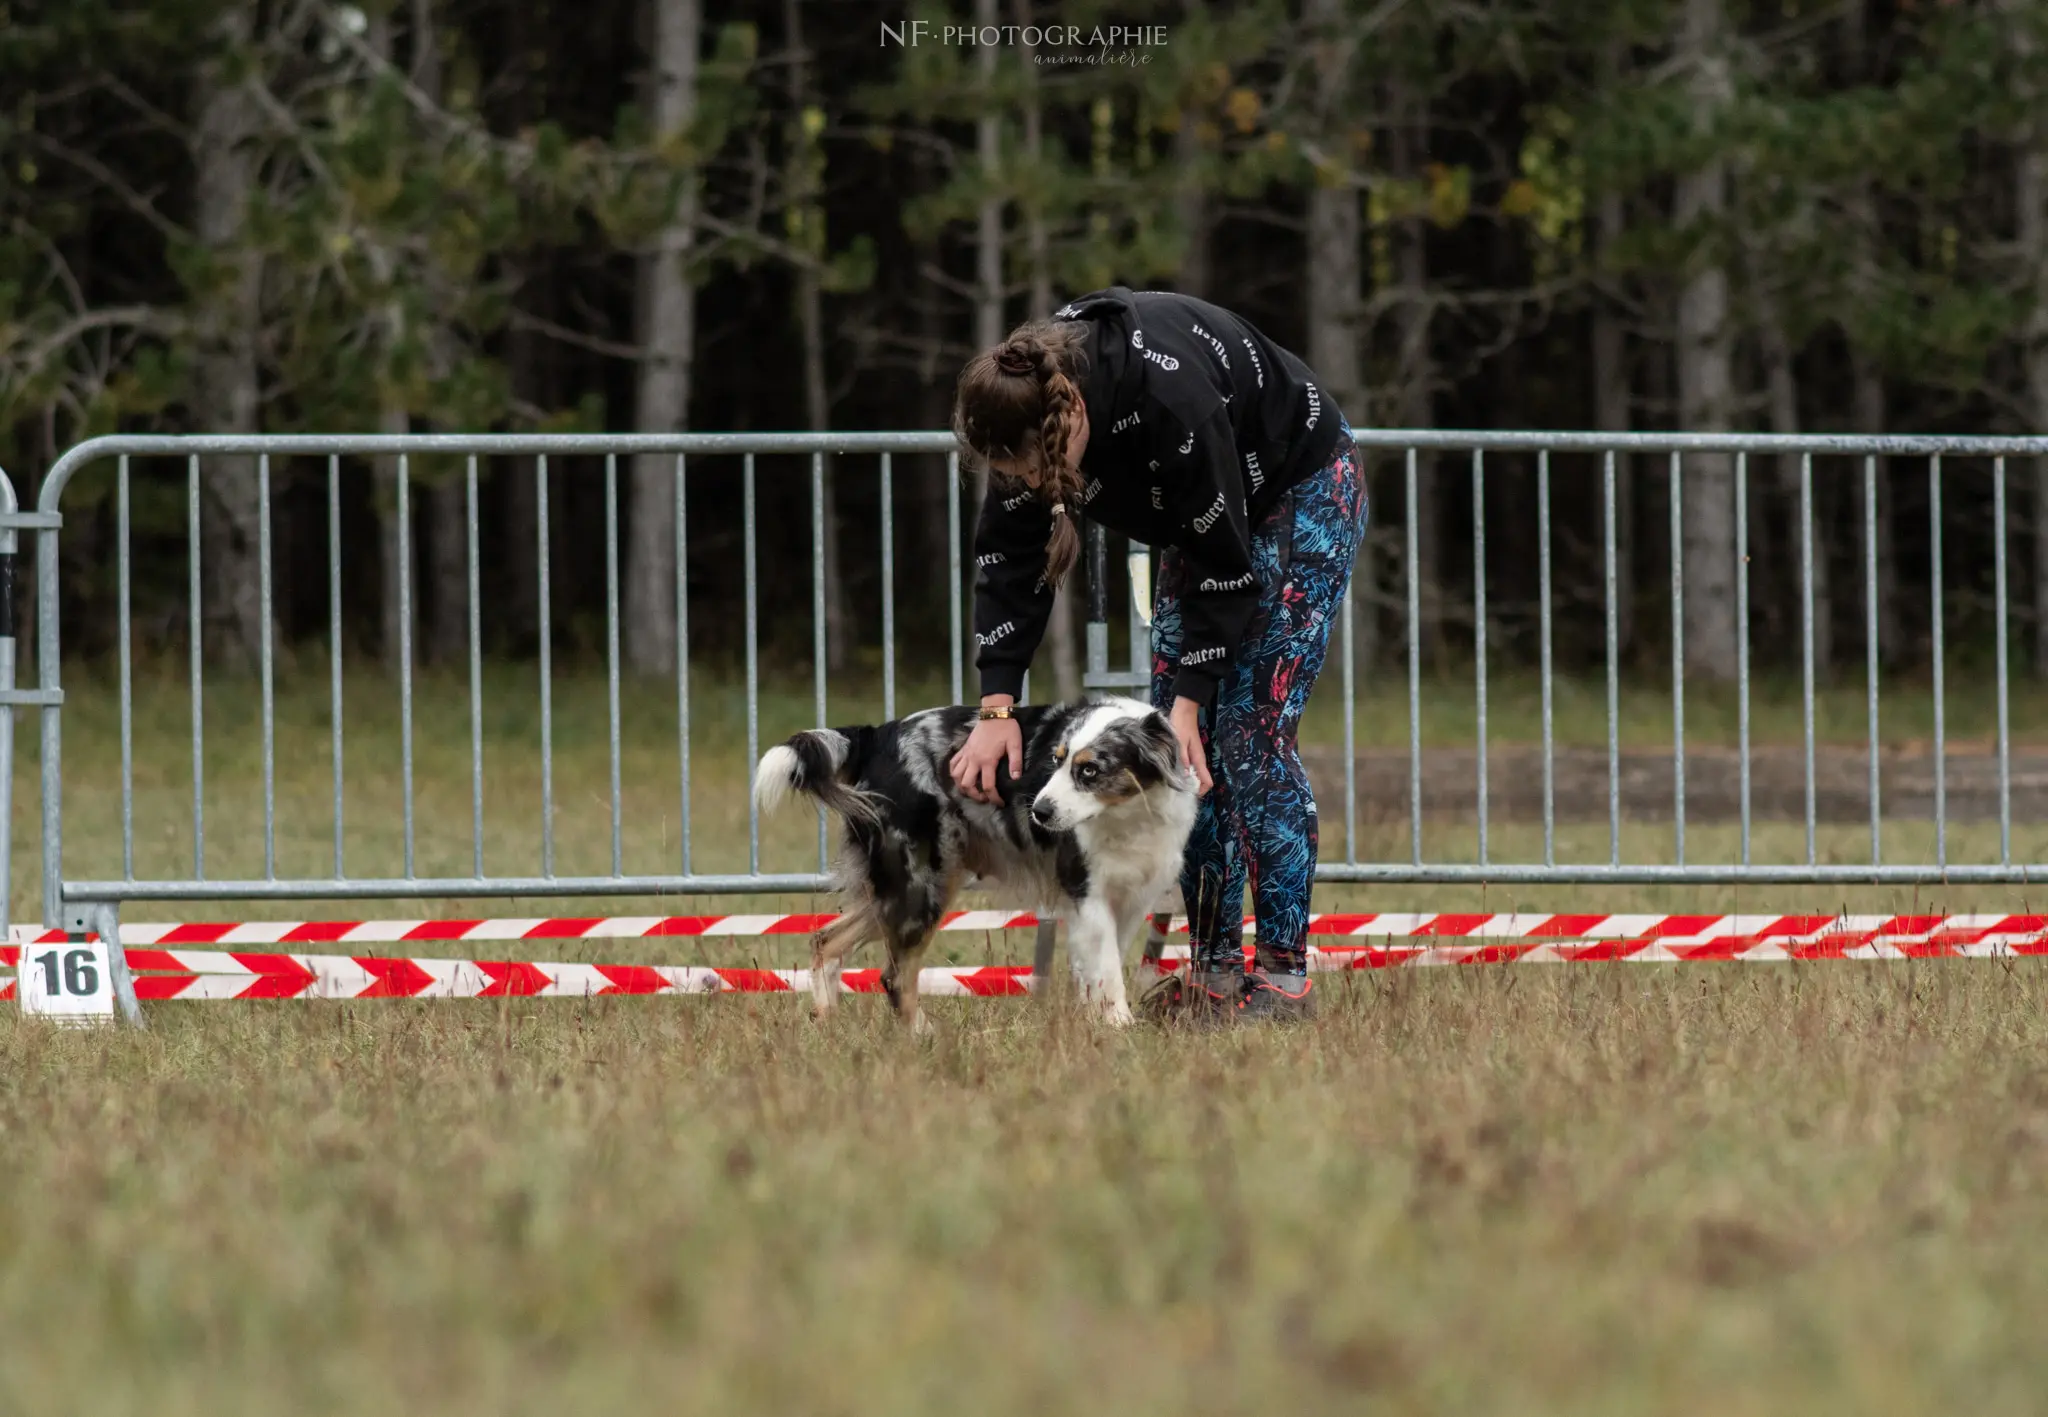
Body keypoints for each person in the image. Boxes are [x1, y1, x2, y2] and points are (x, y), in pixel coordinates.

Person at [947, 286, 1368, 1023]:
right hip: (1201, 524)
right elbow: (1010, 565)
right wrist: (996, 706)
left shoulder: (1170, 400)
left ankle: (1282, 976)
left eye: (1037, 471)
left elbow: (1226, 566)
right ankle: (1215, 972)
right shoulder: (1022, 411)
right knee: (1175, 757)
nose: (1032, 486)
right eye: (1013, 476)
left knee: (1246, 735)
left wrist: (1190, 699)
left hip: (1298, 486)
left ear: (1070, 414)